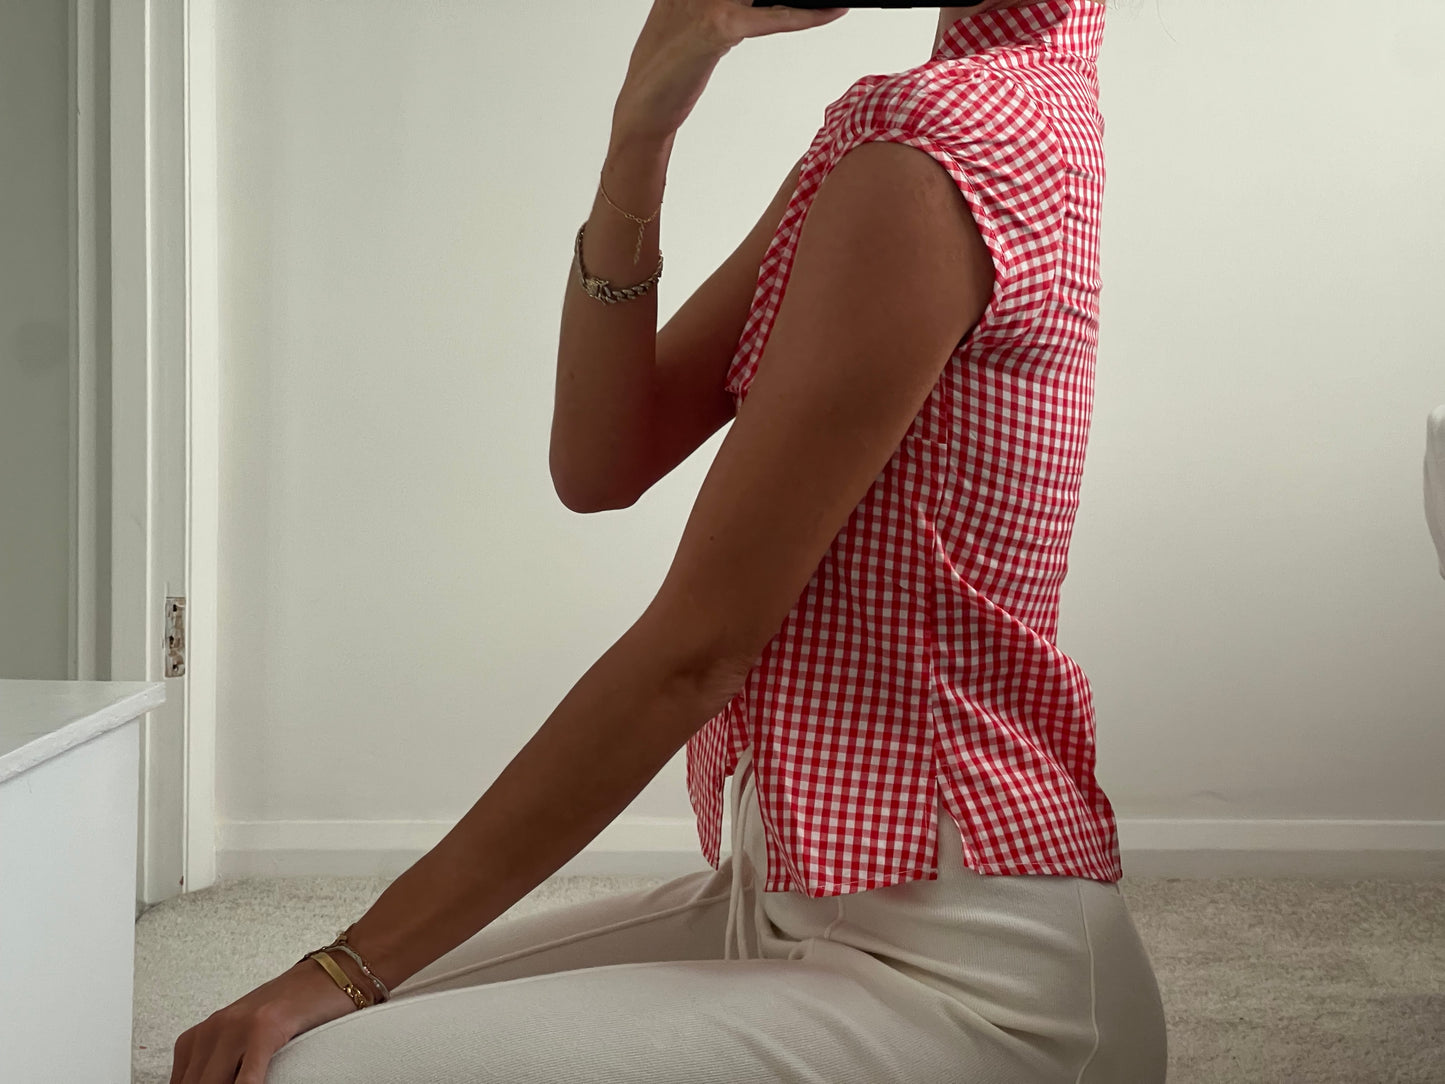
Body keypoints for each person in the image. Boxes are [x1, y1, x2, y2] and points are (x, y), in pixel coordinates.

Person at [170, 1, 1170, 1081]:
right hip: (784, 907)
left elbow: (693, 652)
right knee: (305, 1038)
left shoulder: (939, 137)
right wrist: (640, 133)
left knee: (304, 1064)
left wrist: (344, 963)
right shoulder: (933, 126)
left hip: (966, 985)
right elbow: (603, 460)